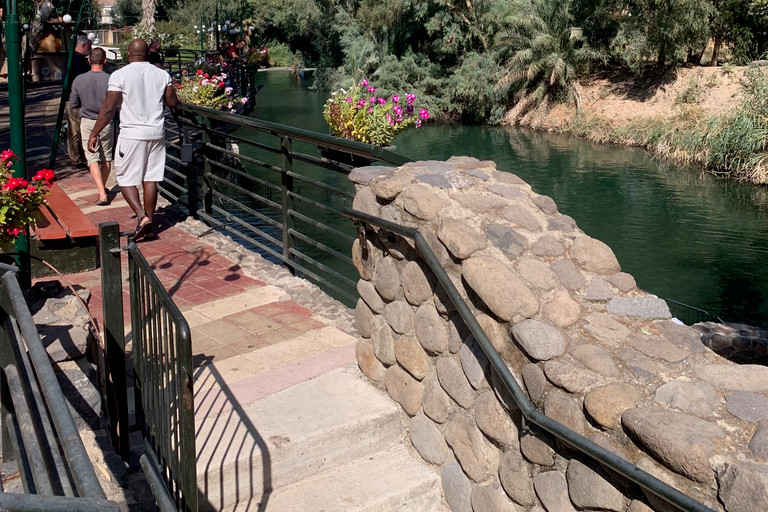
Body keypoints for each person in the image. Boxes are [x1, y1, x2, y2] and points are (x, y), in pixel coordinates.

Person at [87, 39, 179, 240]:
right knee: (151, 178)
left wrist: (94, 133)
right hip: (156, 132)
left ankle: (141, 217)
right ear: (147, 54)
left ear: (128, 53)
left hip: (132, 134)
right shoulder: (162, 74)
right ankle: (150, 224)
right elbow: (172, 102)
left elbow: (109, 108)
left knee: (125, 178)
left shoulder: (120, 75)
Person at [69, 47, 112, 205]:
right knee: (106, 155)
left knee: (92, 156)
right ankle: (103, 188)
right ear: (105, 60)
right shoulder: (110, 79)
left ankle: (101, 192)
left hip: (87, 120)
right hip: (106, 120)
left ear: (89, 61)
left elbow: (73, 103)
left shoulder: (79, 80)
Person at [65, 34, 92, 166]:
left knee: (80, 129)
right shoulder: (76, 60)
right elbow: (82, 78)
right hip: (74, 99)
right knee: (75, 129)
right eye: (89, 46)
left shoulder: (77, 58)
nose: (90, 48)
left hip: (77, 98)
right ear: (83, 45)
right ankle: (75, 158)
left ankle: (81, 155)